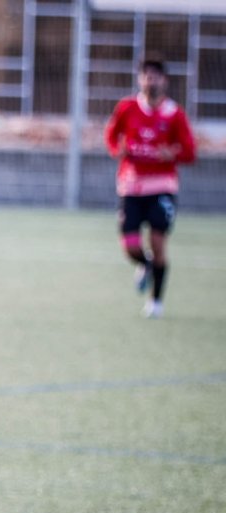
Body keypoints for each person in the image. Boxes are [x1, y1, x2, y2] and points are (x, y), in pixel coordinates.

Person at [104, 58, 196, 319]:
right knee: (130, 245)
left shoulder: (174, 114)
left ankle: (156, 301)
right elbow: (111, 135)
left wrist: (172, 152)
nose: (150, 81)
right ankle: (144, 265)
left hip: (161, 187)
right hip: (131, 186)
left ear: (164, 81)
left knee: (158, 243)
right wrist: (116, 149)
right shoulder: (127, 108)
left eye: (155, 77)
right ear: (139, 79)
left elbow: (190, 151)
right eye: (146, 76)